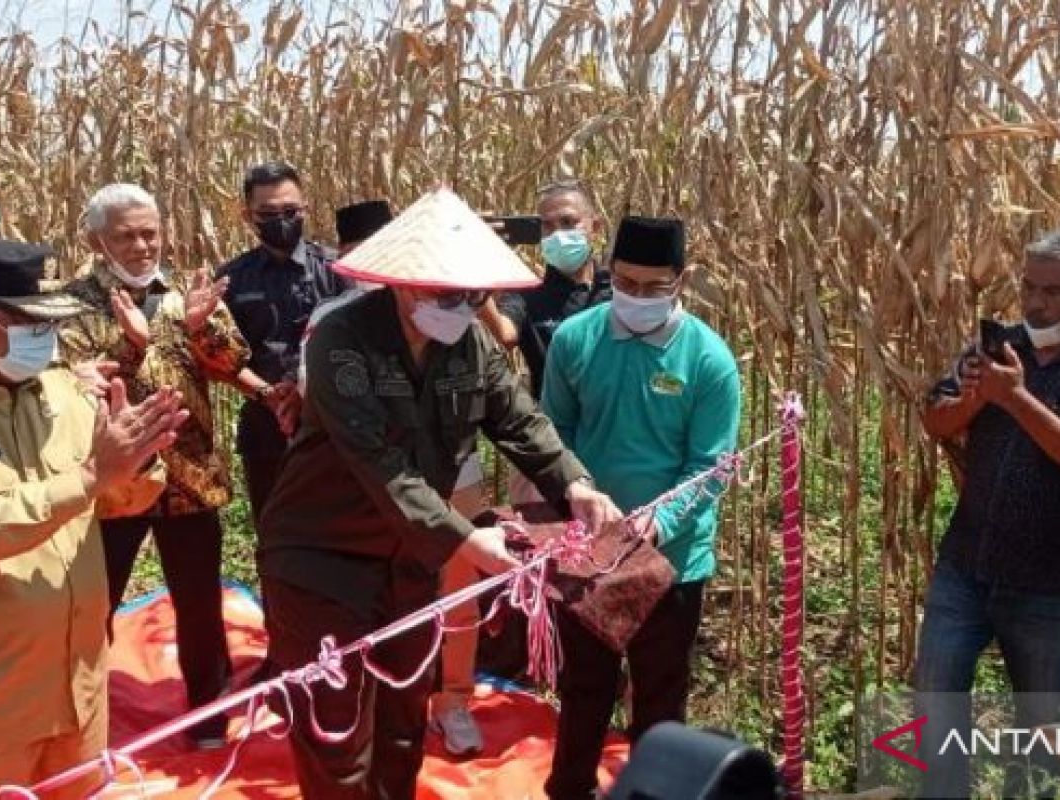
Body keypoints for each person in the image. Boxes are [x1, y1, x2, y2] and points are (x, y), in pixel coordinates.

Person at [258, 188, 621, 799]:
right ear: (403, 282)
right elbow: (381, 466)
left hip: (410, 563)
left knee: (403, 723)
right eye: (448, 294)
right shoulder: (340, 342)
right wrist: (466, 538)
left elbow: (518, 418)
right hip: (322, 561)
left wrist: (575, 483)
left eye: (474, 295)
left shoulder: (470, 341)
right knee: (336, 735)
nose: (463, 307)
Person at [916, 226, 1060, 798]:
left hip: (1050, 583)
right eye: (1028, 286)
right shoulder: (999, 347)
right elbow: (936, 420)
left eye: (1053, 291)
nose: (1035, 302)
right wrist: (974, 396)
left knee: (1045, 730)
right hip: (965, 566)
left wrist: (1015, 398)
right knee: (938, 697)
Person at [540, 216, 742, 800]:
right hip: (590, 551)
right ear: (609, 270)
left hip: (672, 558)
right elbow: (554, 435)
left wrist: (662, 520)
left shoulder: (709, 360)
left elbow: (711, 466)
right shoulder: (575, 340)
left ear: (684, 280)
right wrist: (571, 510)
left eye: (655, 287)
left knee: (659, 697)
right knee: (584, 687)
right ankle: (570, 789)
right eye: (625, 282)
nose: (638, 297)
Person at [59, 183, 250, 748]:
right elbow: (72, 386)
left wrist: (198, 328)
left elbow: (233, 362)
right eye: (127, 235)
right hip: (115, 485)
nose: (143, 246)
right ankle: (79, 723)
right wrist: (132, 351)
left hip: (189, 478)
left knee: (199, 606)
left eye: (151, 233)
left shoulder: (182, 296)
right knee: (97, 605)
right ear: (97, 240)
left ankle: (208, 720)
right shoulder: (71, 304)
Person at [296, 198, 489, 755]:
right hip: (372, 493)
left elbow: (503, 401)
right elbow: (342, 418)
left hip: (456, 479)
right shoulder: (333, 327)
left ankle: (452, 702)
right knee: (382, 605)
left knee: (457, 592)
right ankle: (373, 704)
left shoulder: (458, 323)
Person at [0, 239, 185, 795]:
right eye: (27, 322)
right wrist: (87, 478)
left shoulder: (63, 392)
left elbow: (120, 500)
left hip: (79, 684)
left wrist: (135, 462)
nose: (43, 335)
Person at [217, 161, 351, 526]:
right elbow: (217, 358)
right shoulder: (231, 281)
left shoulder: (337, 271)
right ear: (248, 215)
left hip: (332, 429)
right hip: (266, 427)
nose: (281, 220)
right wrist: (267, 394)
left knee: (339, 533)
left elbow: (361, 346)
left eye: (290, 211)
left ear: (305, 209)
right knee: (275, 535)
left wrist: (309, 392)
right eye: (268, 213)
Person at [484, 180, 612, 507]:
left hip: (613, 435)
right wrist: (483, 266)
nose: (558, 234)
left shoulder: (619, 289)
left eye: (569, 222)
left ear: (595, 226)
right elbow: (504, 333)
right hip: (548, 442)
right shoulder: (529, 294)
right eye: (547, 226)